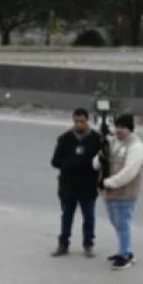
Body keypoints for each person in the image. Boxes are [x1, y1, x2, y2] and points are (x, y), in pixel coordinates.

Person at [49, 108, 103, 257]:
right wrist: (71, 163)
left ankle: (88, 245)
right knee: (66, 216)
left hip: (88, 186)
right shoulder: (64, 139)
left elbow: (103, 162)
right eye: (76, 121)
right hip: (68, 185)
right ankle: (63, 244)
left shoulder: (97, 140)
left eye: (82, 121)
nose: (79, 124)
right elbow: (55, 161)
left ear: (87, 121)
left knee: (89, 217)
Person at [101, 113, 143, 270]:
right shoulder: (113, 141)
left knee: (123, 223)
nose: (119, 130)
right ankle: (125, 250)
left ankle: (125, 256)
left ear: (130, 128)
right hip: (109, 192)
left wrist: (110, 182)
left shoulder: (136, 146)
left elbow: (130, 171)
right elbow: (100, 160)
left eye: (122, 127)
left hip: (125, 192)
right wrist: (98, 158)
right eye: (117, 127)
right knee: (116, 222)